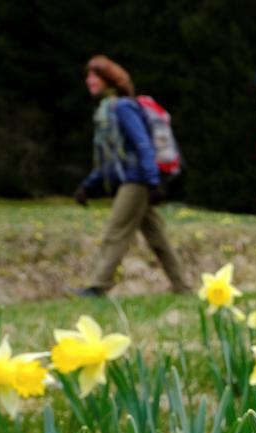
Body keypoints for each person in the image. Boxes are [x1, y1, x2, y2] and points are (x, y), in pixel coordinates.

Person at [69, 55, 189, 298]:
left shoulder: (122, 107)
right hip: (135, 178)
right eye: (88, 76)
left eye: (95, 76)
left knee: (116, 231)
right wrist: (88, 186)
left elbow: (143, 145)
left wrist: (153, 181)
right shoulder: (106, 111)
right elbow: (111, 159)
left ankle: (98, 286)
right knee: (157, 238)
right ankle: (183, 288)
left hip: (137, 181)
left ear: (108, 80)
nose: (89, 80)